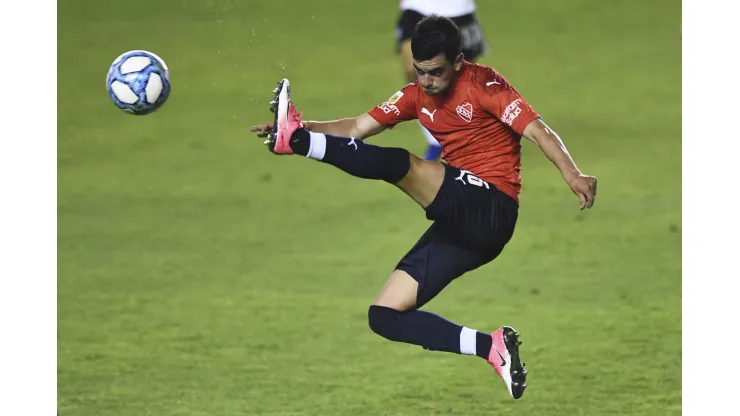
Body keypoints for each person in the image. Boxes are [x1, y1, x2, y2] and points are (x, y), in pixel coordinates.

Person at [250, 15, 597, 400]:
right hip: (465, 229)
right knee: (383, 316)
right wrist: (305, 126)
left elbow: (537, 129)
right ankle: (491, 347)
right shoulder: (416, 94)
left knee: (401, 164)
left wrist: (573, 174)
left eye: (435, 72)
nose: (427, 81)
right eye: (420, 71)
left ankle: (293, 143)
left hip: (492, 206)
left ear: (459, 62)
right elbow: (356, 129)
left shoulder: (485, 84)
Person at [395, 0, 488, 161]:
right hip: (417, 9)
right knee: (413, 69)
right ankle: (435, 139)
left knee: (463, 79)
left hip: (459, 11)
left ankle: (466, 137)